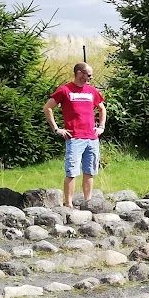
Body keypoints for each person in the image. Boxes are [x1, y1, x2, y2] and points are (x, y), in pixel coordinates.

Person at [44, 63, 108, 207]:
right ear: (79, 73)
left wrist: (101, 127)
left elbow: (102, 109)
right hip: (74, 138)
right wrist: (56, 129)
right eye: (89, 75)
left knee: (89, 171)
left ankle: (88, 202)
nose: (90, 78)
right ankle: (69, 205)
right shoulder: (64, 90)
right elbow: (47, 108)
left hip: (92, 138)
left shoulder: (92, 91)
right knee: (72, 173)